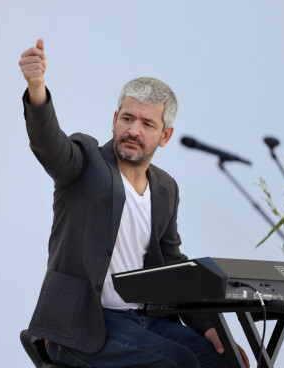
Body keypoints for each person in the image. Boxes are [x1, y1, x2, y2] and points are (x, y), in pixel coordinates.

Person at [19, 38, 250, 368]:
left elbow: (172, 262)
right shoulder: (85, 163)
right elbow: (50, 146)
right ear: (114, 119)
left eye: (147, 124)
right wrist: (37, 87)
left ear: (165, 135)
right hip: (81, 326)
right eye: (127, 119)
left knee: (226, 360)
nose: (133, 130)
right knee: (178, 362)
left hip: (145, 320)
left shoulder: (165, 188)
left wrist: (208, 324)